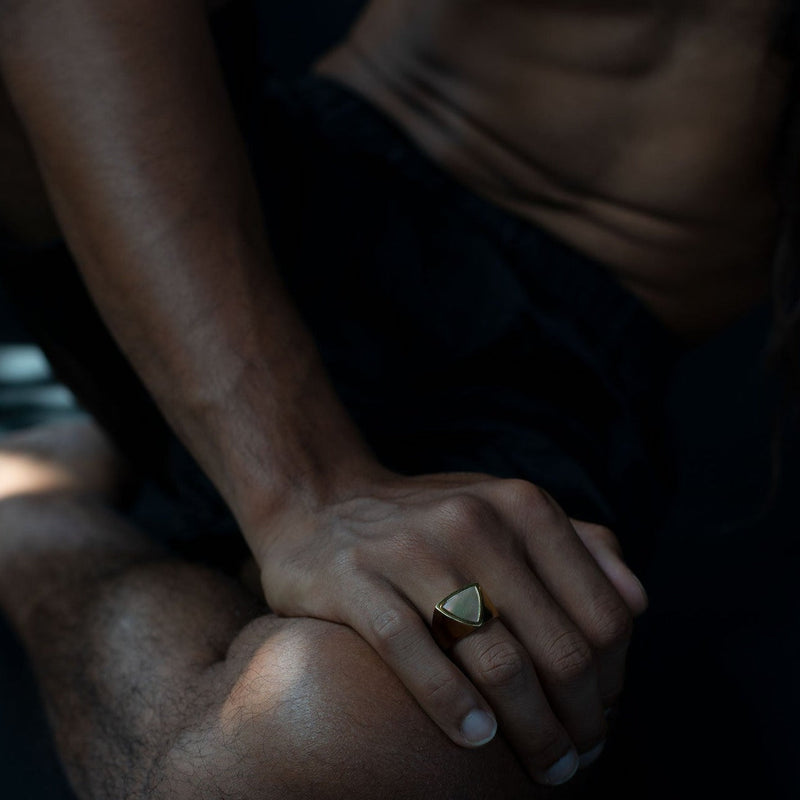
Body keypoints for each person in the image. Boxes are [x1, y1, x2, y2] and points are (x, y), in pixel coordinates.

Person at [0, 0, 795, 797]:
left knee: (344, 745)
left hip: (555, 354)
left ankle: (37, 516)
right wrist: (303, 486)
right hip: (272, 190)